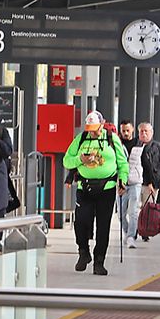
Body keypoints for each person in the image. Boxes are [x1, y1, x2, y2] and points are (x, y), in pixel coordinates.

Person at [62, 111, 128, 276]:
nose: (92, 132)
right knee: (81, 222)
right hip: (84, 188)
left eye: (95, 128)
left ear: (102, 123)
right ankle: (83, 252)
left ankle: (99, 261)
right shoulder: (81, 139)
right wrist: (80, 160)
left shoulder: (112, 139)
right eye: (89, 128)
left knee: (103, 227)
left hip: (106, 189)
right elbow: (66, 160)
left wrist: (123, 180)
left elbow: (122, 162)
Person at [136, 122, 160, 238]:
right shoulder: (136, 146)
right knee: (133, 209)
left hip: (150, 183)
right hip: (135, 180)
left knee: (147, 208)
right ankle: (134, 230)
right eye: (141, 131)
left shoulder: (157, 147)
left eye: (146, 131)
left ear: (151, 133)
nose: (144, 134)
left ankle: (144, 231)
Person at [118, 120, 145, 248]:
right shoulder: (117, 144)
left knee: (133, 211)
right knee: (121, 213)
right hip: (121, 183)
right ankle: (128, 231)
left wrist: (150, 182)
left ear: (133, 130)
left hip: (135, 182)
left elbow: (146, 162)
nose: (126, 133)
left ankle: (130, 237)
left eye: (128, 130)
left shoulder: (140, 144)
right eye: (123, 130)